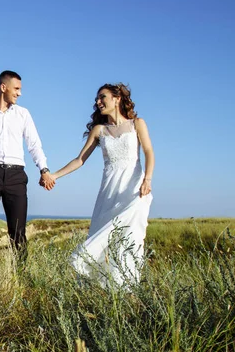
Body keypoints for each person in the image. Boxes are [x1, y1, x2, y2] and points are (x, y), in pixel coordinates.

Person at [43, 83, 154, 286]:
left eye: (102, 97)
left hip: (134, 190)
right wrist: (54, 175)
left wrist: (147, 179)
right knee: (105, 239)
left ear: (117, 98)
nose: (98, 102)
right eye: (97, 99)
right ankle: (103, 289)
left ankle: (127, 289)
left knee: (130, 239)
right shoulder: (99, 130)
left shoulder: (137, 124)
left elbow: (148, 152)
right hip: (109, 191)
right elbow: (80, 160)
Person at [0, 70, 55, 278]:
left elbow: (34, 145)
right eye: (17, 89)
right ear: (3, 87)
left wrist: (44, 169)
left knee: (18, 231)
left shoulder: (23, 114)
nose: (20, 94)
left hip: (16, 176)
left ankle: (21, 277)